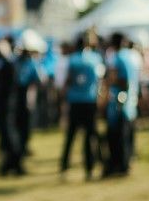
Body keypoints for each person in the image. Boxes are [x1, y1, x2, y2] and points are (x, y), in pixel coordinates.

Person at [60, 33, 104, 180]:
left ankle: (64, 165)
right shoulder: (95, 58)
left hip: (75, 101)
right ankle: (89, 168)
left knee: (71, 136)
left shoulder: (72, 60)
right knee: (89, 136)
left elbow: (68, 81)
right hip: (89, 101)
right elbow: (99, 80)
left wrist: (64, 100)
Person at [104, 32, 140, 177]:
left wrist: (111, 81)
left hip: (120, 103)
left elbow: (122, 80)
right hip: (130, 102)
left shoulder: (118, 58)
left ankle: (120, 166)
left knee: (118, 137)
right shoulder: (131, 56)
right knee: (127, 135)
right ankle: (125, 163)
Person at [0, 37, 23, 176]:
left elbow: (7, 87)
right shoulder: (5, 63)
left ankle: (14, 163)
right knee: (6, 134)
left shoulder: (9, 64)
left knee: (9, 134)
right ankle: (9, 163)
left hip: (7, 105)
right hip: (4, 104)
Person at [14, 45, 45, 156]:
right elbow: (40, 80)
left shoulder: (19, 63)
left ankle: (22, 146)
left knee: (22, 123)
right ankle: (21, 146)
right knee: (22, 123)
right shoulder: (29, 63)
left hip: (22, 95)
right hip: (22, 95)